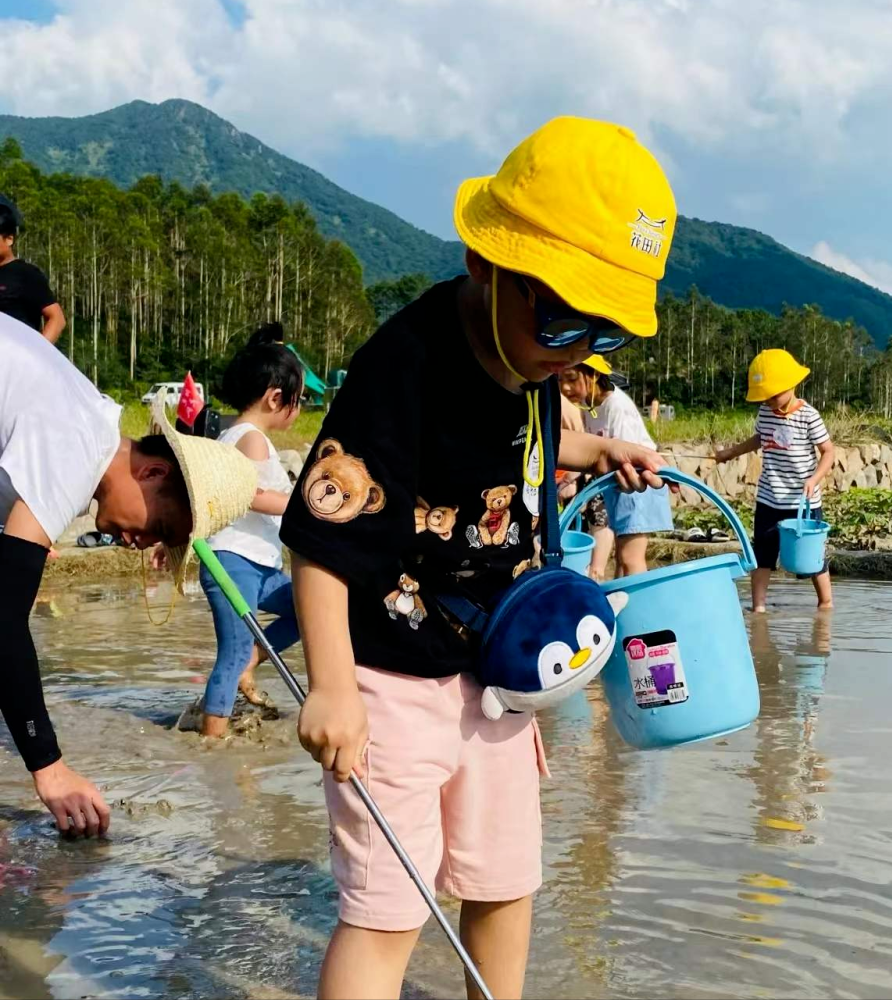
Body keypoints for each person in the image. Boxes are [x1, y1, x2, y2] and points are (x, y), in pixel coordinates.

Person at [278, 116, 677, 1000]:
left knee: (505, 882)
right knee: (388, 907)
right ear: (484, 264)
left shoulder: (533, 366)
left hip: (500, 675)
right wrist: (333, 684)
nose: (576, 350)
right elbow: (319, 539)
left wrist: (597, 452)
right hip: (389, 680)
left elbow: (538, 445)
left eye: (603, 335)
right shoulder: (403, 368)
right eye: (566, 317)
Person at [0, 311, 258, 837]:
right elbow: (4, 621)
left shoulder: (85, 415)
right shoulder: (77, 448)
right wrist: (49, 769)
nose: (142, 544)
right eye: (160, 525)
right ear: (154, 471)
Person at [188, 324, 303, 737]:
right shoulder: (250, 438)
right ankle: (212, 739)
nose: (299, 408)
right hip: (233, 562)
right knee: (230, 653)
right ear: (276, 398)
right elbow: (249, 495)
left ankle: (253, 659)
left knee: (308, 608)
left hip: (258, 563)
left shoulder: (238, 433)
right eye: (299, 399)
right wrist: (302, 505)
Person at [714, 349, 835, 613]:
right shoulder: (765, 412)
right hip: (769, 498)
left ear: (791, 385)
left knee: (812, 557)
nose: (769, 401)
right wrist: (730, 453)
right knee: (763, 555)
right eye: (764, 397)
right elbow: (759, 439)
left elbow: (828, 451)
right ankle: (758, 608)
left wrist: (815, 478)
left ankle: (825, 603)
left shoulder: (809, 416)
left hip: (803, 501)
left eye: (774, 394)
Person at [560, 357, 673, 578]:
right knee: (621, 559)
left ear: (594, 375)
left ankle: (641, 609)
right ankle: (622, 608)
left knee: (631, 558)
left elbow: (629, 456)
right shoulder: (590, 408)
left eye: (572, 378)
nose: (565, 387)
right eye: (560, 379)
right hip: (618, 489)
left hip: (638, 484)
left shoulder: (616, 405)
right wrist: (569, 478)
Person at [0, 197, 65, 344]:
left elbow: (57, 318)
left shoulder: (27, 274)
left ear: (9, 239)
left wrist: (37, 354)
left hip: (13, 360)